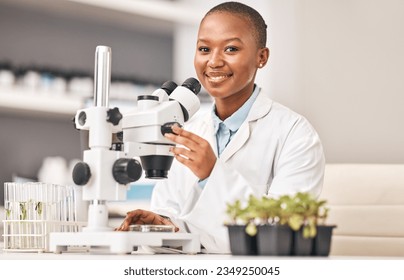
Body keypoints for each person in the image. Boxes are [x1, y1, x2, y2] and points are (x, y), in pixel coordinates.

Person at [116, 1, 325, 253]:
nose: (214, 61)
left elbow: (281, 233)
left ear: (262, 57)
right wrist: (164, 225)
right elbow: (174, 211)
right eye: (204, 48)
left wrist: (212, 174)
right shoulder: (188, 131)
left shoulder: (296, 134)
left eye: (231, 49)